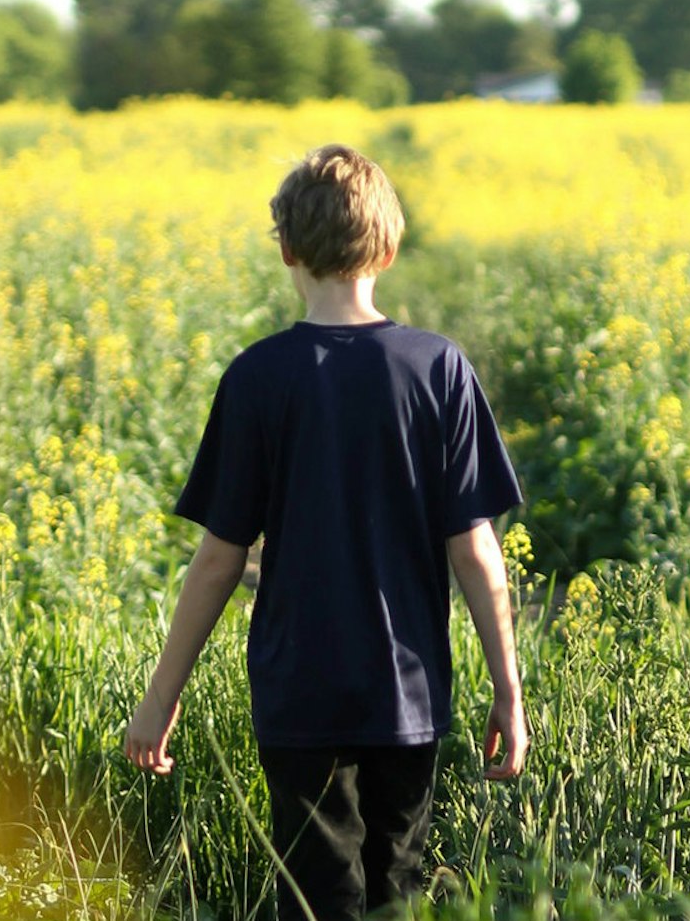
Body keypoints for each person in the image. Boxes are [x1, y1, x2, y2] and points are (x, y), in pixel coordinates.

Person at [123, 144, 528, 920]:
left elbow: (217, 559)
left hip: (297, 692)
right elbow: (476, 551)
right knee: (395, 894)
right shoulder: (438, 369)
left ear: (285, 249)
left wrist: (160, 697)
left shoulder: (258, 376)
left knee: (316, 898)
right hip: (407, 693)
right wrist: (507, 692)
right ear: (389, 246)